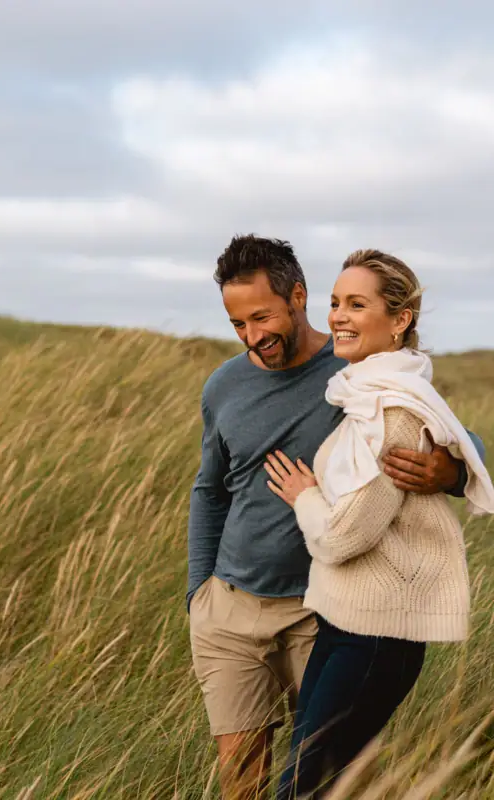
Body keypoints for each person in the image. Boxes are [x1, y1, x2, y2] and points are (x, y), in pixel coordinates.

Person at [187, 235, 486, 800]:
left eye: (262, 317)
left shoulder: (357, 371)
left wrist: (446, 473)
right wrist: (197, 592)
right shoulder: (225, 386)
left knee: (326, 778)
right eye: (238, 325)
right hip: (228, 608)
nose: (254, 337)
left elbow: (447, 432)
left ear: (296, 296)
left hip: (320, 607)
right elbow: (209, 489)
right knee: (243, 776)